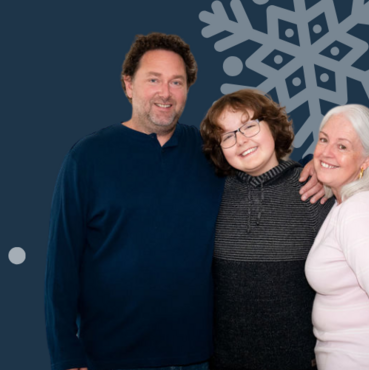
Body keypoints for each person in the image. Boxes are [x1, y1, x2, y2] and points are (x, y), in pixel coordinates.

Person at [45, 33, 324, 370]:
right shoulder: (87, 158)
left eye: (176, 81)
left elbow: (259, 163)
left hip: (197, 356)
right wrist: (65, 351)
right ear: (128, 84)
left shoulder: (208, 152)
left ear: (188, 89)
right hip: (111, 355)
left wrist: (320, 167)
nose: (165, 92)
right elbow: (61, 264)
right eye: (153, 80)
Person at [200, 89, 333, 370]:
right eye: (227, 135)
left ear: (272, 125)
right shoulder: (213, 194)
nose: (241, 140)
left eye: (249, 125)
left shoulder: (313, 191)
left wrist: (330, 176)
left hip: (300, 360)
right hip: (225, 361)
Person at [305, 104, 369, 369]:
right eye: (323, 140)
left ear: (365, 161)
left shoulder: (357, 210)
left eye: (342, 146)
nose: (326, 152)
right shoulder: (343, 203)